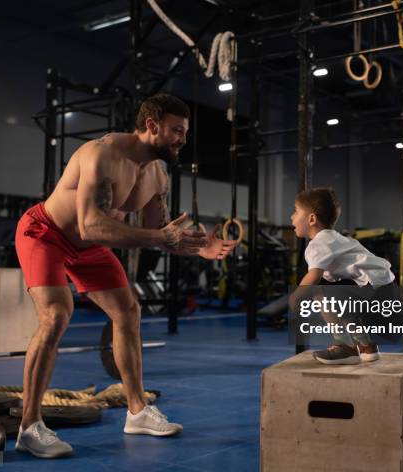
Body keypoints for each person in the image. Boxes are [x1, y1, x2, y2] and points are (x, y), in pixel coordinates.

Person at [14, 94, 238, 458]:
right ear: (152, 126)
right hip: (46, 232)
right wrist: (160, 237)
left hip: (90, 245)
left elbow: (159, 232)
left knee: (127, 312)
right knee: (56, 315)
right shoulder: (101, 154)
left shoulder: (157, 174)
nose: (183, 138)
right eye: (176, 131)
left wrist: (199, 247)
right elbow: (89, 225)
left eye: (185, 132)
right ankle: (29, 426)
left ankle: (136, 412)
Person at [289, 187, 396, 365]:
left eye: (296, 211)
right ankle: (367, 346)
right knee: (340, 301)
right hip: (384, 286)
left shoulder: (319, 243)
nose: (292, 217)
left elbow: (313, 277)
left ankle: (345, 347)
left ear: (312, 219)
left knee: (318, 293)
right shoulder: (335, 238)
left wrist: (296, 296)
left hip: (374, 288)